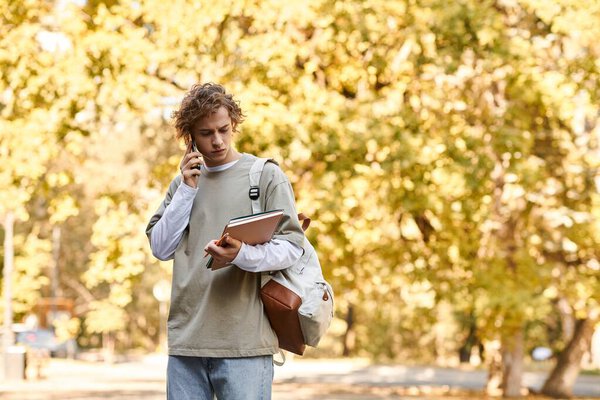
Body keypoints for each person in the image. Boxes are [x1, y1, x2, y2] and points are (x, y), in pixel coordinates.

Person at [146, 82, 305, 400]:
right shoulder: (183, 184)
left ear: (234, 122)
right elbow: (160, 248)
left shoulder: (265, 176)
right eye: (206, 133)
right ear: (189, 137)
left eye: (223, 129)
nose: (217, 141)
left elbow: (292, 247)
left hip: (244, 343)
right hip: (186, 343)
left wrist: (241, 254)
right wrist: (187, 190)